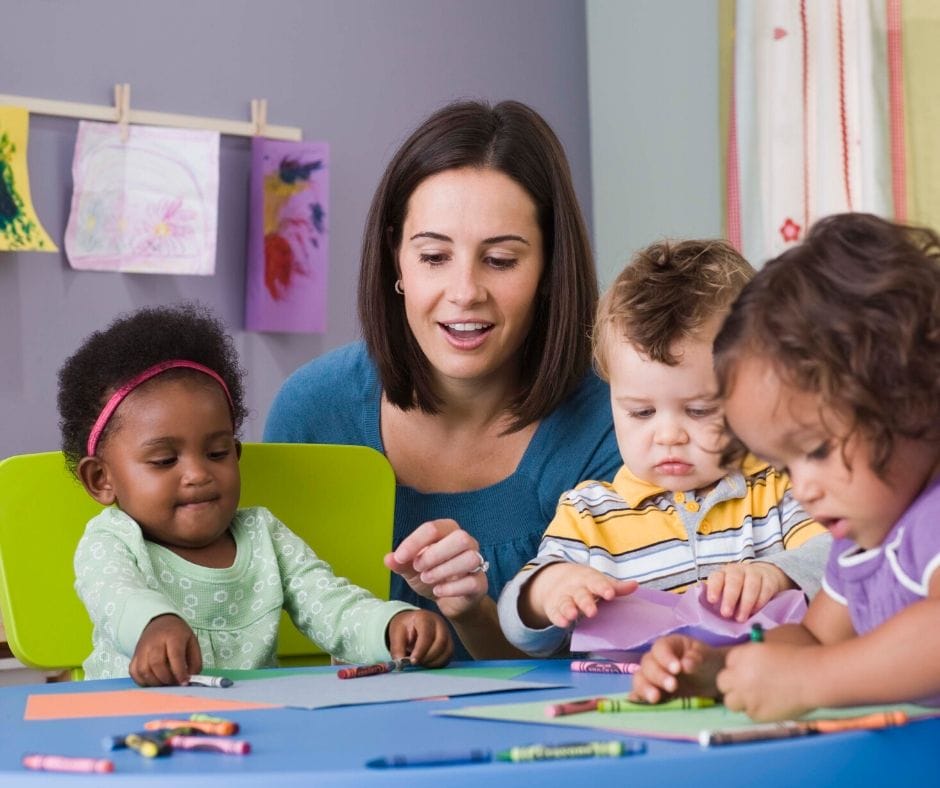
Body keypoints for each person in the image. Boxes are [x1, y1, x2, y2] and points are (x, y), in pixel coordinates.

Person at [264, 99, 619, 659]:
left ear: (550, 269)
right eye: (434, 256)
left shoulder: (615, 424)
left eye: (500, 260)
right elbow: (269, 641)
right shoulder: (312, 411)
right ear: (396, 261)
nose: (464, 291)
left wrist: (470, 609)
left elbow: (598, 672)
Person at [631, 213, 940, 721]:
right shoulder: (863, 542)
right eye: (784, 466)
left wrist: (808, 680)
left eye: (816, 450)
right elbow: (816, 640)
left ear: (911, 395)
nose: (804, 490)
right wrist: (724, 670)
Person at [59, 304, 452, 685]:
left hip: (250, 728)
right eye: (164, 460)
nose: (198, 474)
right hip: (132, 724)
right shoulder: (110, 541)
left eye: (217, 453)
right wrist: (153, 624)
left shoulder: (263, 535)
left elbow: (330, 604)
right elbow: (116, 596)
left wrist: (391, 626)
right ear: (101, 479)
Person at [498, 239, 830, 657]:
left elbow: (843, 558)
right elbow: (515, 623)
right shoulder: (589, 515)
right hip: (631, 707)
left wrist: (778, 573)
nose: (668, 435)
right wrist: (549, 590)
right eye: (641, 412)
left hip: (756, 699)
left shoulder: (778, 485)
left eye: (699, 409)